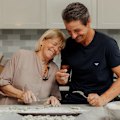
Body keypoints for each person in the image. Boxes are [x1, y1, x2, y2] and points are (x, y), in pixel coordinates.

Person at [56, 2, 120, 106]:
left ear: (88, 22)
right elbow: (65, 75)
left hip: (101, 103)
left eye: (77, 30)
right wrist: (61, 79)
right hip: (73, 102)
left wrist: (103, 99)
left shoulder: (107, 44)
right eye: (69, 31)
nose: (73, 36)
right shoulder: (68, 45)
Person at [0, 29, 66, 106]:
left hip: (35, 114)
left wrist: (53, 99)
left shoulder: (54, 69)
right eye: (54, 44)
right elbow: (2, 84)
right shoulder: (21, 56)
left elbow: (55, 95)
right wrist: (21, 94)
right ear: (43, 41)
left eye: (59, 48)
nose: (56, 50)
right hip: (10, 111)